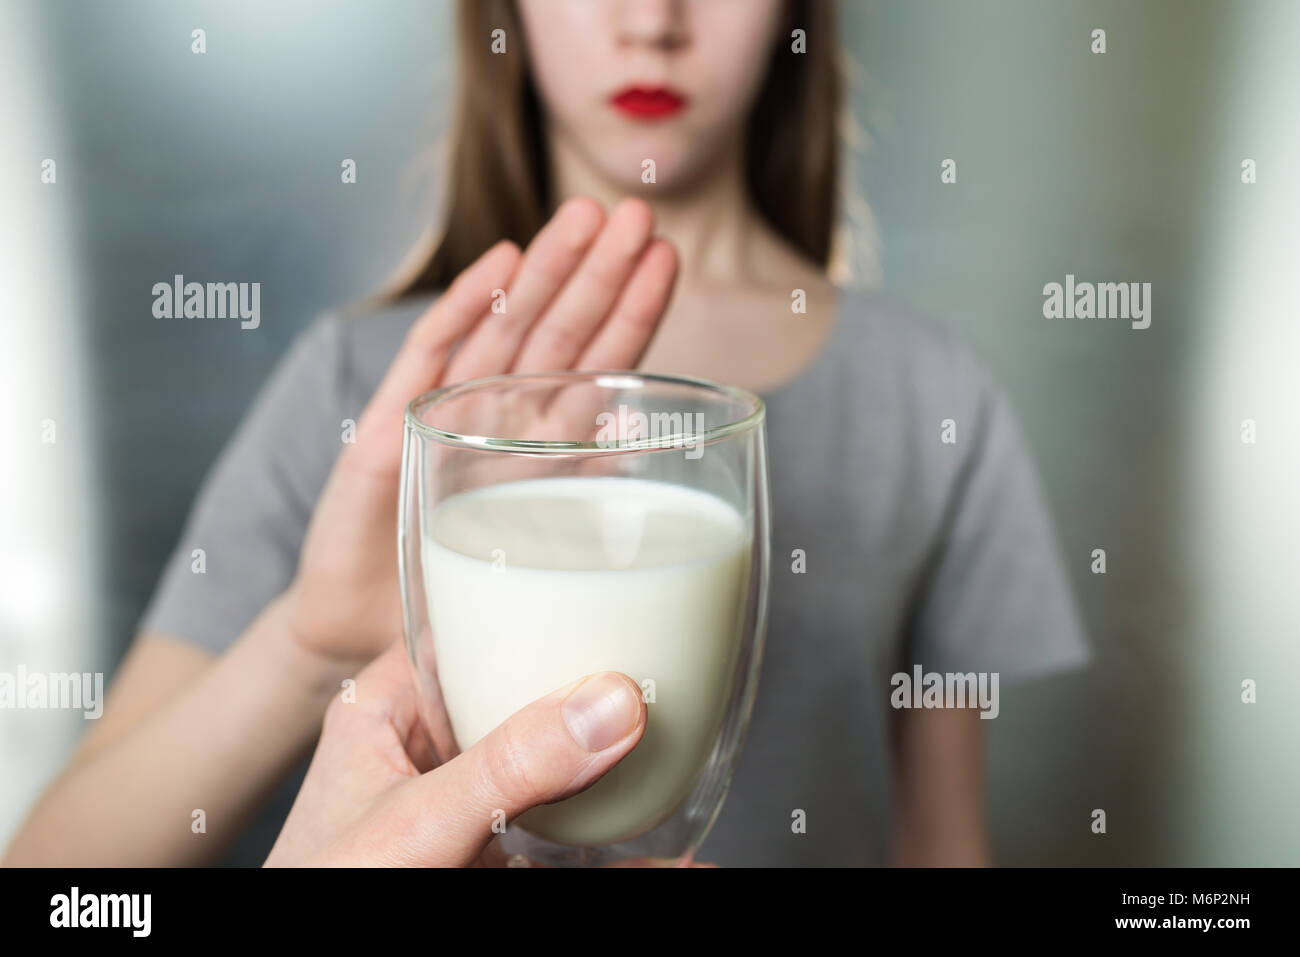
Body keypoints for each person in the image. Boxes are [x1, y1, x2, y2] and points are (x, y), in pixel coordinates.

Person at [4, 0, 1087, 867]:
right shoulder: (360, 392)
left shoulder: (935, 399)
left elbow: (944, 847)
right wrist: (309, 650)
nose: (650, 19)